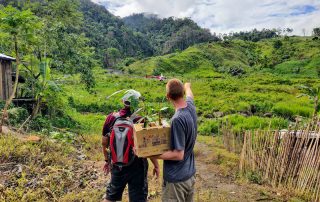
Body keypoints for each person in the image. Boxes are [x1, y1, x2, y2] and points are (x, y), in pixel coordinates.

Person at [102, 90, 160, 202]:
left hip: (117, 164)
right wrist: (156, 165)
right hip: (137, 165)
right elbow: (148, 148)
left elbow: (104, 143)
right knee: (138, 198)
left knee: (111, 196)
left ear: (123, 101)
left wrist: (107, 160)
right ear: (137, 103)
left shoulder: (111, 118)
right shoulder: (141, 120)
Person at [152, 79, 197, 202]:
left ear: (168, 96)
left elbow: (178, 155)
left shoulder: (177, 119)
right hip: (190, 175)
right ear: (182, 92)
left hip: (177, 181)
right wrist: (187, 86)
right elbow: (190, 94)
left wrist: (152, 154)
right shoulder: (190, 106)